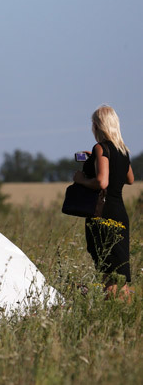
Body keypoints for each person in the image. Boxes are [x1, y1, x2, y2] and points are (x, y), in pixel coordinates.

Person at [73, 105, 134, 299]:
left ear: (97, 125)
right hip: (120, 213)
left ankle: (109, 309)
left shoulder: (101, 148)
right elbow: (130, 179)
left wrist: (81, 179)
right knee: (120, 274)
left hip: (102, 214)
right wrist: (99, 160)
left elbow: (102, 181)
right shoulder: (122, 149)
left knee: (108, 272)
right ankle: (123, 316)